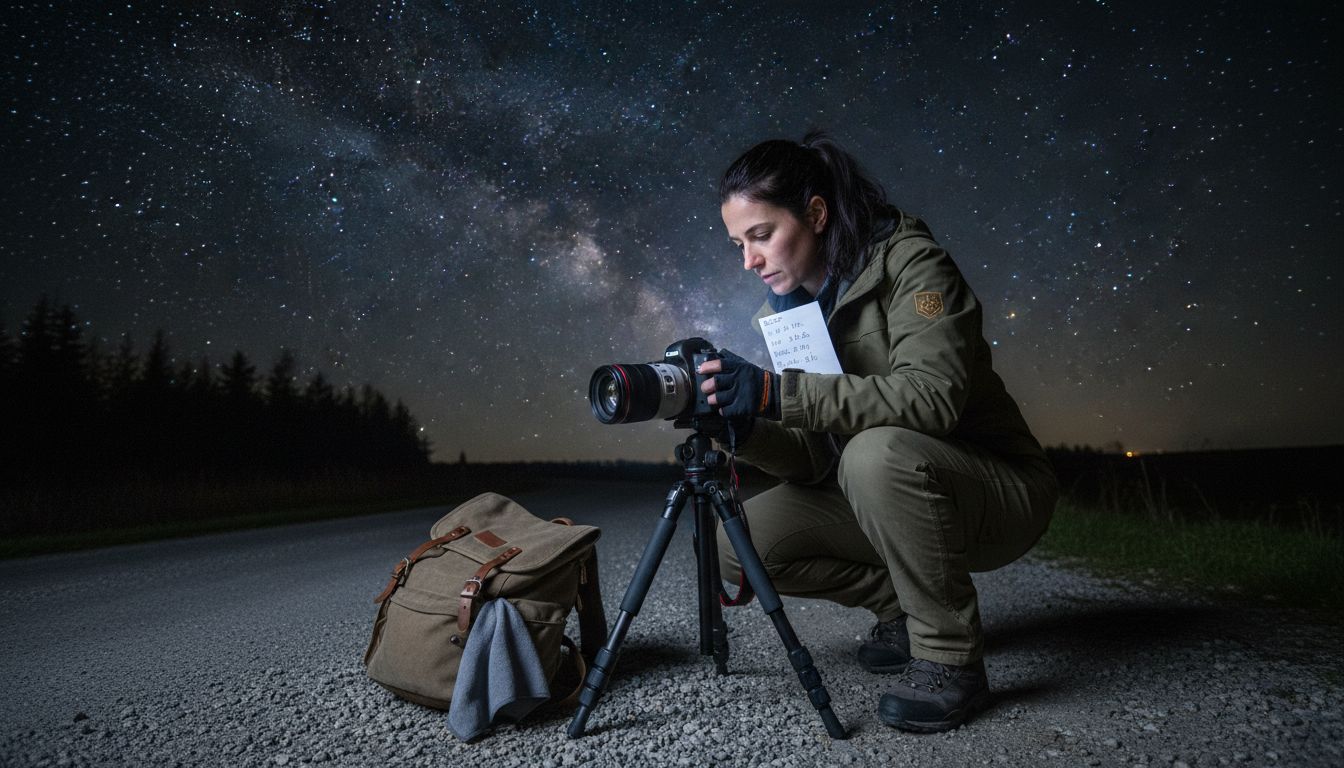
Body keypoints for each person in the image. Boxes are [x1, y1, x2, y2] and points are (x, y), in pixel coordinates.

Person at [697, 131, 1058, 733]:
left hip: (998, 489)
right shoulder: (786, 313)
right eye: (739, 244)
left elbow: (933, 399)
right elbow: (814, 462)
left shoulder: (913, 265)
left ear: (816, 214)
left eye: (761, 235)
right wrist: (743, 426)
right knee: (737, 544)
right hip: (882, 487)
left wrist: (775, 393)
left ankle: (950, 656)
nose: (749, 261)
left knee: (874, 452)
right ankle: (901, 610)